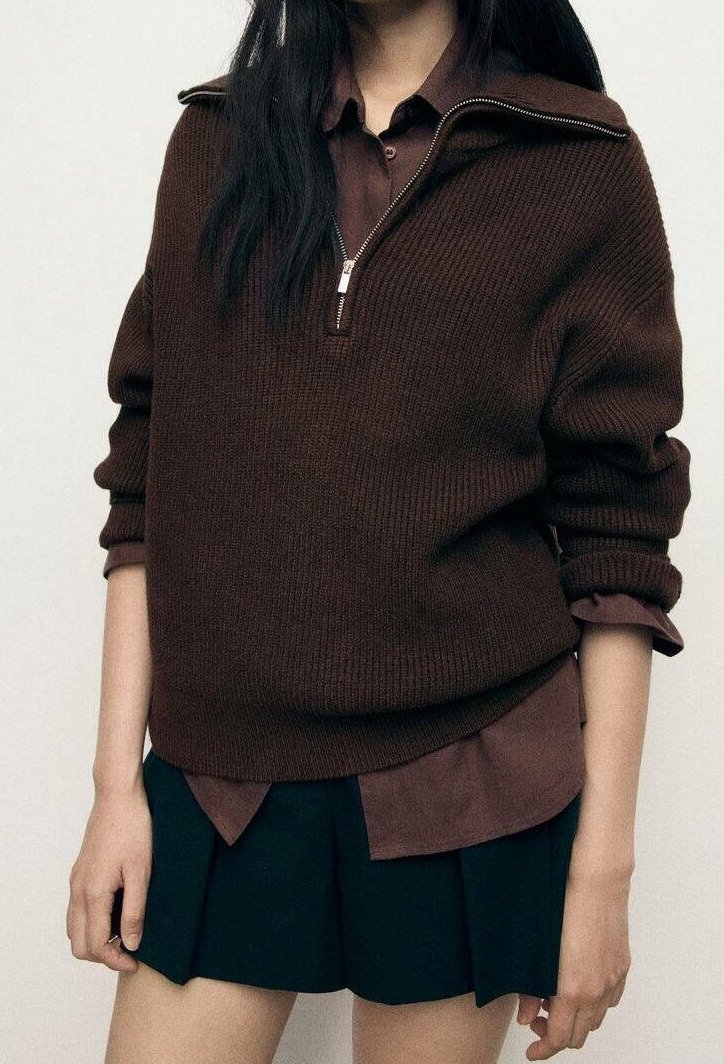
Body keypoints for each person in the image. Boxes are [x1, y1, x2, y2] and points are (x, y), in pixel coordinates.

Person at [67, 0, 691, 1061]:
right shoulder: (218, 141)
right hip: (221, 778)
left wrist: (601, 870)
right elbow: (146, 481)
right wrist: (117, 786)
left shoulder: (575, 160)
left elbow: (618, 530)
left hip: (472, 777)